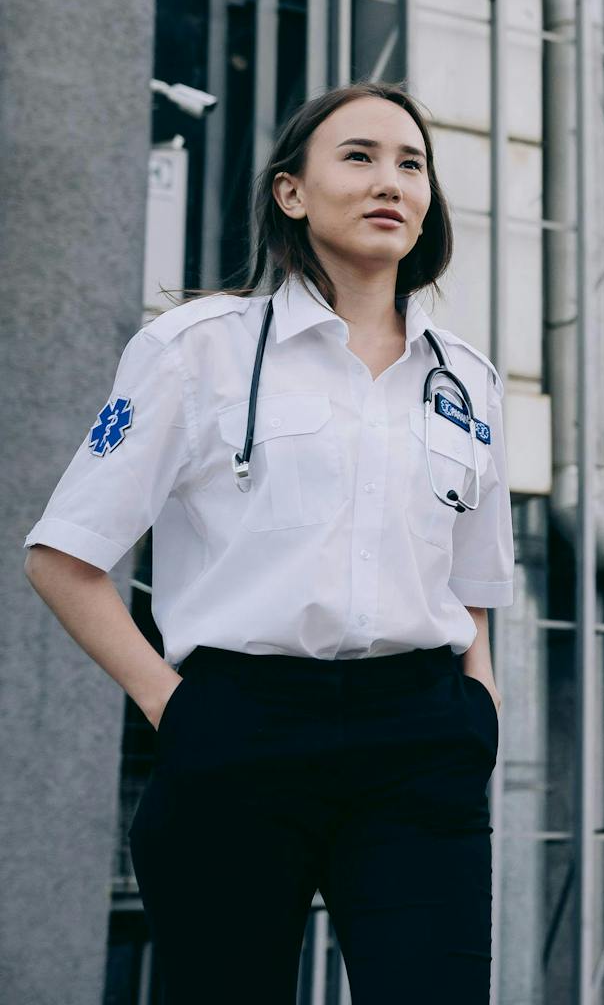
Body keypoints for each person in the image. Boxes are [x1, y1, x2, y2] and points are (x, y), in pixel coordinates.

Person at [22, 81, 514, 1002]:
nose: (391, 182)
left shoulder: (469, 382)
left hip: (418, 745)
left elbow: (472, 583)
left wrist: (475, 710)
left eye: (412, 165)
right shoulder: (195, 349)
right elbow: (63, 557)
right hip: (240, 731)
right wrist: (176, 706)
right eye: (359, 157)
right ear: (291, 192)